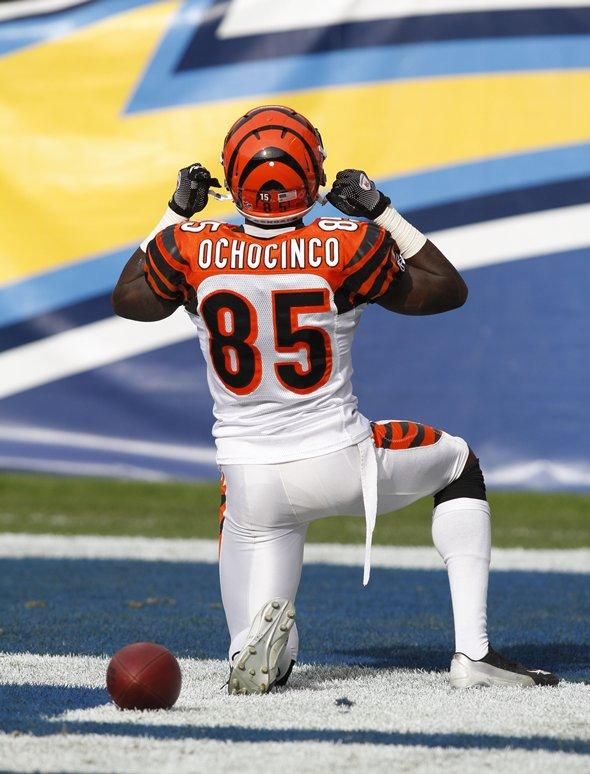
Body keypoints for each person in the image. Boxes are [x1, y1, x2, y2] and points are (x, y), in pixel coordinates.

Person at [112, 105, 558, 694]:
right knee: (458, 463)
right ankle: (473, 654)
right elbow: (448, 289)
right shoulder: (347, 245)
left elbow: (128, 297)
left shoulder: (187, 246)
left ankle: (267, 643)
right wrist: (382, 210)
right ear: (314, 175)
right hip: (341, 461)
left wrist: (174, 211)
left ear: (230, 177)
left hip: (248, 483)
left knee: (257, 641)